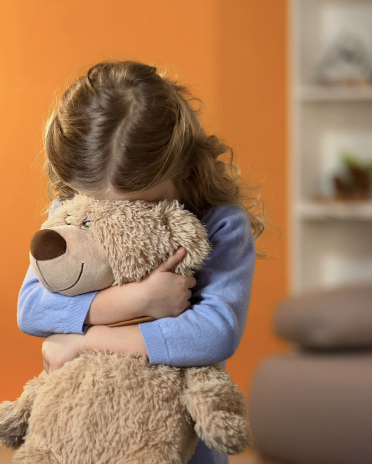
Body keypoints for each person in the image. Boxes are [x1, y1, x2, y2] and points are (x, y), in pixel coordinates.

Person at [17, 61, 264, 464]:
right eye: (96, 203)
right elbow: (31, 308)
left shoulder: (220, 223)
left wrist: (87, 341)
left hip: (175, 441)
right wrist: (136, 301)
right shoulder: (70, 215)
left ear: (183, 167)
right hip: (82, 424)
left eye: (142, 203)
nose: (116, 216)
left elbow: (216, 333)